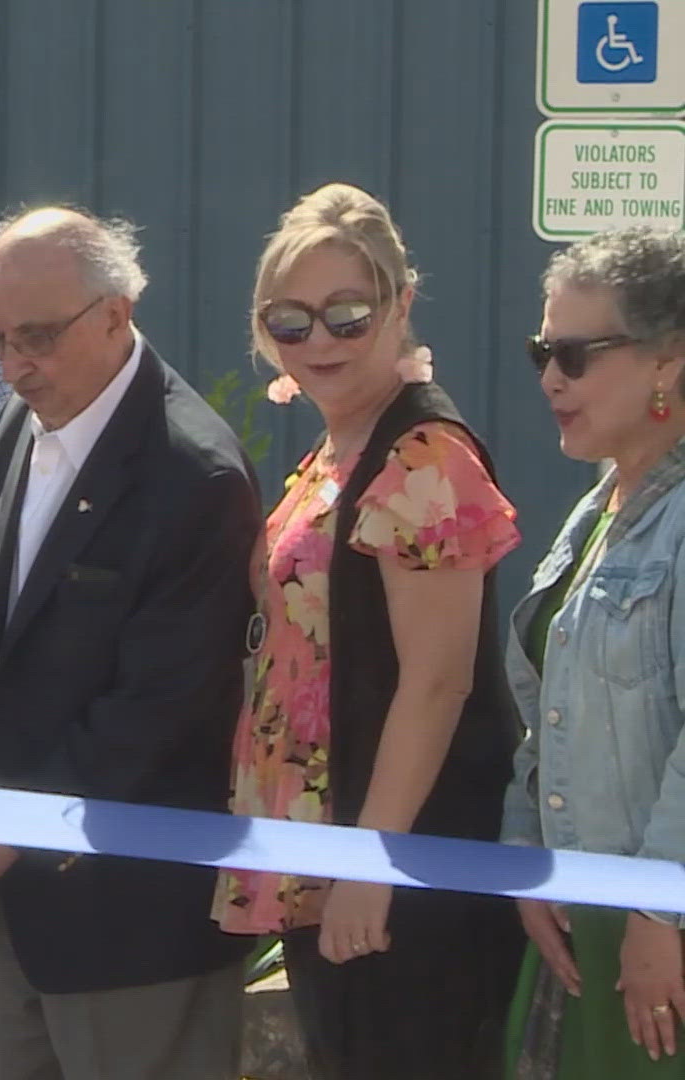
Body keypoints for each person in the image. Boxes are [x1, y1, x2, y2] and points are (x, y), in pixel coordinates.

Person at [0, 206, 259, 1080]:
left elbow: (158, 709)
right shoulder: (29, 416)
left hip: (131, 924)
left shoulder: (194, 476)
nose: (15, 366)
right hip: (19, 895)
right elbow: (6, 567)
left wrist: (13, 828)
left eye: (39, 338)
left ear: (116, 315)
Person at [210, 182, 524, 1080]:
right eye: (292, 320)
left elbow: (438, 683)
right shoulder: (338, 450)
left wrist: (369, 868)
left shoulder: (424, 455)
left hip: (402, 870)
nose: (320, 341)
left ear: (400, 306)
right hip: (324, 850)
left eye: (349, 314)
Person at [504, 226, 685, 1077]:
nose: (549, 378)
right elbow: (547, 714)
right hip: (582, 918)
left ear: (668, 361)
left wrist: (661, 913)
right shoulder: (599, 506)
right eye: (544, 350)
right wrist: (525, 859)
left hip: (655, 935)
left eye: (576, 355)